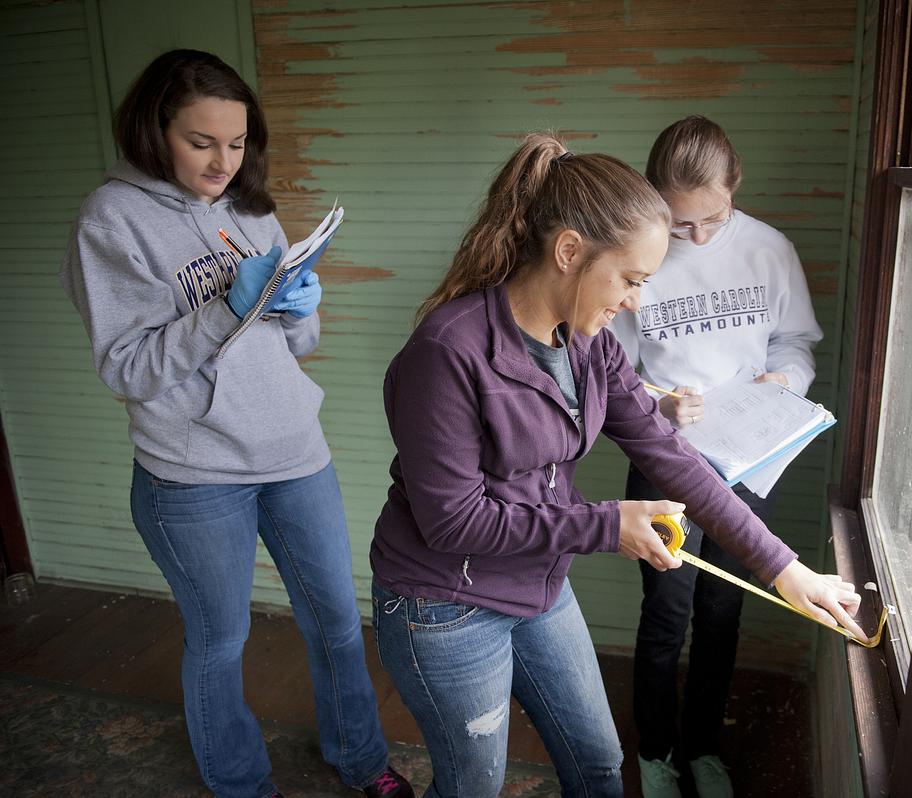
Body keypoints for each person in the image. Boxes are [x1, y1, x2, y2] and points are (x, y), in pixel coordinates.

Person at [369, 132, 864, 798]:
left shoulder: (587, 344)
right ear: (570, 251)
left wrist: (786, 568)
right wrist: (605, 524)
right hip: (445, 601)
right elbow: (454, 522)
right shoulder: (449, 351)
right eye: (630, 279)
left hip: (537, 586)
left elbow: (673, 460)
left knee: (600, 762)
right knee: (471, 785)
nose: (635, 301)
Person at [59, 49, 412, 798]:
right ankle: (242, 786)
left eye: (238, 141)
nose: (224, 162)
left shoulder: (251, 210)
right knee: (220, 643)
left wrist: (299, 306)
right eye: (201, 142)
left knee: (337, 624)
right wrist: (225, 308)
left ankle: (361, 761)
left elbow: (296, 343)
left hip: (293, 451)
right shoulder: (111, 219)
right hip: (192, 474)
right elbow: (125, 368)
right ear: (156, 130)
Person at [610, 115, 823, 798]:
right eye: (680, 225)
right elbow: (608, 366)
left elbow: (795, 345)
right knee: (666, 615)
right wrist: (658, 403)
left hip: (750, 460)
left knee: (724, 611)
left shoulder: (770, 250)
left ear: (736, 188)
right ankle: (655, 754)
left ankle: (703, 748)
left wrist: (783, 382)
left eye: (712, 219)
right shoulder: (638, 253)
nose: (695, 237)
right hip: (666, 457)